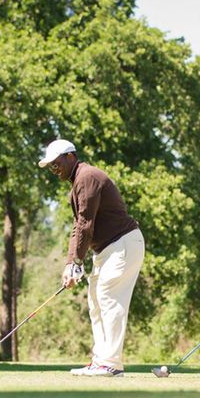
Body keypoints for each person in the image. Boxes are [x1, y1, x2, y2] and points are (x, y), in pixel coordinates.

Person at [39, 138, 145, 377]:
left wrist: (78, 262)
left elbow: (86, 223)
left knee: (108, 298)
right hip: (107, 249)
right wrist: (70, 263)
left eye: (56, 164)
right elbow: (78, 226)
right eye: (51, 167)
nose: (55, 171)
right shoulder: (77, 183)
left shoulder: (87, 177)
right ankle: (101, 360)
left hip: (123, 244)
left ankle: (111, 363)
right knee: (95, 302)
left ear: (70, 157)